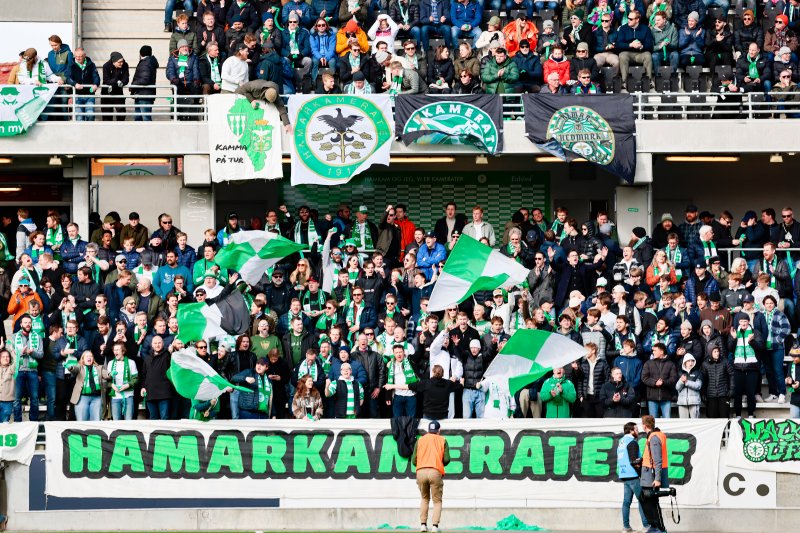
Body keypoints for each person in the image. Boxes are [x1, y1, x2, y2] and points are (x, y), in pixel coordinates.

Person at [412, 419, 450, 533]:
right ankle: (435, 526)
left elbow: (414, 460)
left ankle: (423, 525)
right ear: (439, 430)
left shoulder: (420, 440)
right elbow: (447, 459)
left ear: (429, 430)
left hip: (421, 471)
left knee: (424, 498)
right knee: (437, 501)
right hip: (435, 471)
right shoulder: (443, 440)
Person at [728, 312, 763, 418]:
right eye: (741, 321)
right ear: (738, 322)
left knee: (750, 393)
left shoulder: (755, 332)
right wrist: (734, 339)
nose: (743, 323)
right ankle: (738, 414)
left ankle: (751, 414)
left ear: (748, 321)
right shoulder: (734, 332)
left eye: (745, 321)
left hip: (752, 367)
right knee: (737, 393)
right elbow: (730, 348)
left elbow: (760, 347)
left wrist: (751, 341)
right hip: (738, 367)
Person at [617, 421, 650, 533]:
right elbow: (633, 461)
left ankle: (626, 527)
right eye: (636, 429)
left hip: (624, 475)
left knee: (626, 502)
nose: (638, 431)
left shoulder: (621, 442)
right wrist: (641, 473)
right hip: (632, 475)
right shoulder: (632, 442)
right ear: (630, 431)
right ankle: (646, 526)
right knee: (642, 500)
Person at [640, 415, 669, 533]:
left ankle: (659, 528)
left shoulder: (654, 438)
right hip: (648, 474)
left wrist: (657, 479)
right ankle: (654, 527)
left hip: (650, 476)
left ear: (645, 425)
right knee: (647, 501)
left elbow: (657, 460)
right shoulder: (654, 436)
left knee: (651, 502)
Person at [68, 350, 110, 421]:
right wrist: (70, 367)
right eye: (87, 356)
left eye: (91, 356)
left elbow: (105, 374)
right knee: (82, 422)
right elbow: (74, 369)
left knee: (96, 422)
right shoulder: (79, 367)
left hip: (97, 398)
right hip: (82, 398)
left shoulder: (99, 368)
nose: (89, 357)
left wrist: (110, 374)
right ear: (83, 359)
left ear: (93, 358)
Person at [101, 52, 129, 121]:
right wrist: (117, 81)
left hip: (118, 92)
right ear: (114, 62)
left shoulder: (125, 65)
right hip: (107, 93)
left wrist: (122, 82)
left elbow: (126, 78)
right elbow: (106, 80)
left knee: (121, 113)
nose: (121, 63)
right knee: (107, 116)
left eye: (122, 61)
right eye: (119, 62)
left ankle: (119, 129)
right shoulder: (106, 66)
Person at [786, 345, 800, 418]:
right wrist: (789, 381)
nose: (793, 359)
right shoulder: (791, 365)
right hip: (795, 398)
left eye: (795, 357)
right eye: (792, 357)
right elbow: (789, 378)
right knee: (794, 422)